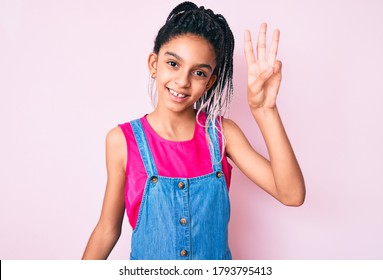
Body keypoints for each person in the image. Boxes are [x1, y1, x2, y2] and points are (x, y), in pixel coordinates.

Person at [82, 1, 305, 260]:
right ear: (154, 63)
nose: (182, 81)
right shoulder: (122, 140)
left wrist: (265, 111)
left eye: (198, 72)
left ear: (209, 82)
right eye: (173, 64)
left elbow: (292, 194)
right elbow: (107, 230)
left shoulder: (223, 135)